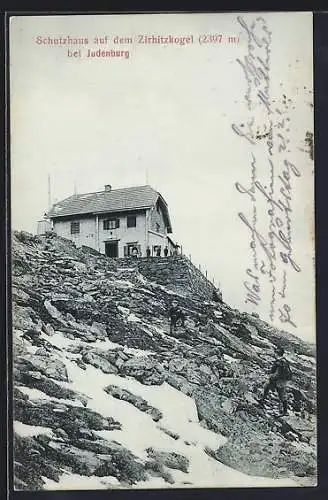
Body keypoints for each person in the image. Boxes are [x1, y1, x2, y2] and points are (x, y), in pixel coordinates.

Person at [259, 346, 292, 416]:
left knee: (281, 395)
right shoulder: (284, 360)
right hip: (283, 380)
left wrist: (271, 376)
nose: (274, 354)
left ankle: (285, 411)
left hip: (279, 381)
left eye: (275, 352)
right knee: (266, 386)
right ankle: (262, 400)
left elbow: (277, 374)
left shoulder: (279, 362)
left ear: (277, 353)